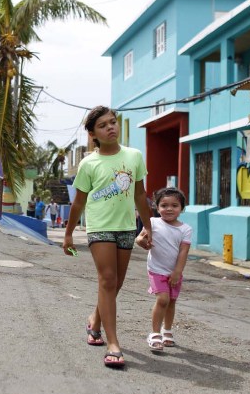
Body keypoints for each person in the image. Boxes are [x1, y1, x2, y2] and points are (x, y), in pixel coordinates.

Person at [62, 105, 153, 369]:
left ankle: (95, 320)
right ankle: (113, 343)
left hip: (126, 227)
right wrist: (68, 234)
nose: (111, 127)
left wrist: (148, 227)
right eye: (103, 125)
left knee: (116, 284)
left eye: (112, 122)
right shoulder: (88, 163)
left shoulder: (134, 156)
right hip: (99, 227)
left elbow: (139, 195)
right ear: (93, 135)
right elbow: (79, 203)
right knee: (108, 279)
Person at [135, 187, 191, 352]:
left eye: (174, 205)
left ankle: (167, 331)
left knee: (171, 302)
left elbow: (183, 252)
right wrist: (142, 242)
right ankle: (154, 334)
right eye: (164, 205)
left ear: (181, 208)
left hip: (174, 272)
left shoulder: (185, 229)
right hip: (156, 269)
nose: (169, 209)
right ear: (157, 207)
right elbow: (139, 237)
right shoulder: (152, 222)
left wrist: (177, 272)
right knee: (163, 300)